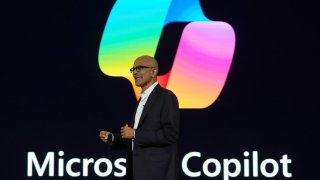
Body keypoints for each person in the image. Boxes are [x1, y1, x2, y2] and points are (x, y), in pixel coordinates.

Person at [99, 55, 180, 180]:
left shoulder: (167, 97)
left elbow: (170, 134)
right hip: (137, 173)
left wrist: (135, 134)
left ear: (154, 72)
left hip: (156, 173)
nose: (135, 72)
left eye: (140, 68)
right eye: (133, 69)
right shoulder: (142, 99)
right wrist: (113, 138)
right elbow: (134, 138)